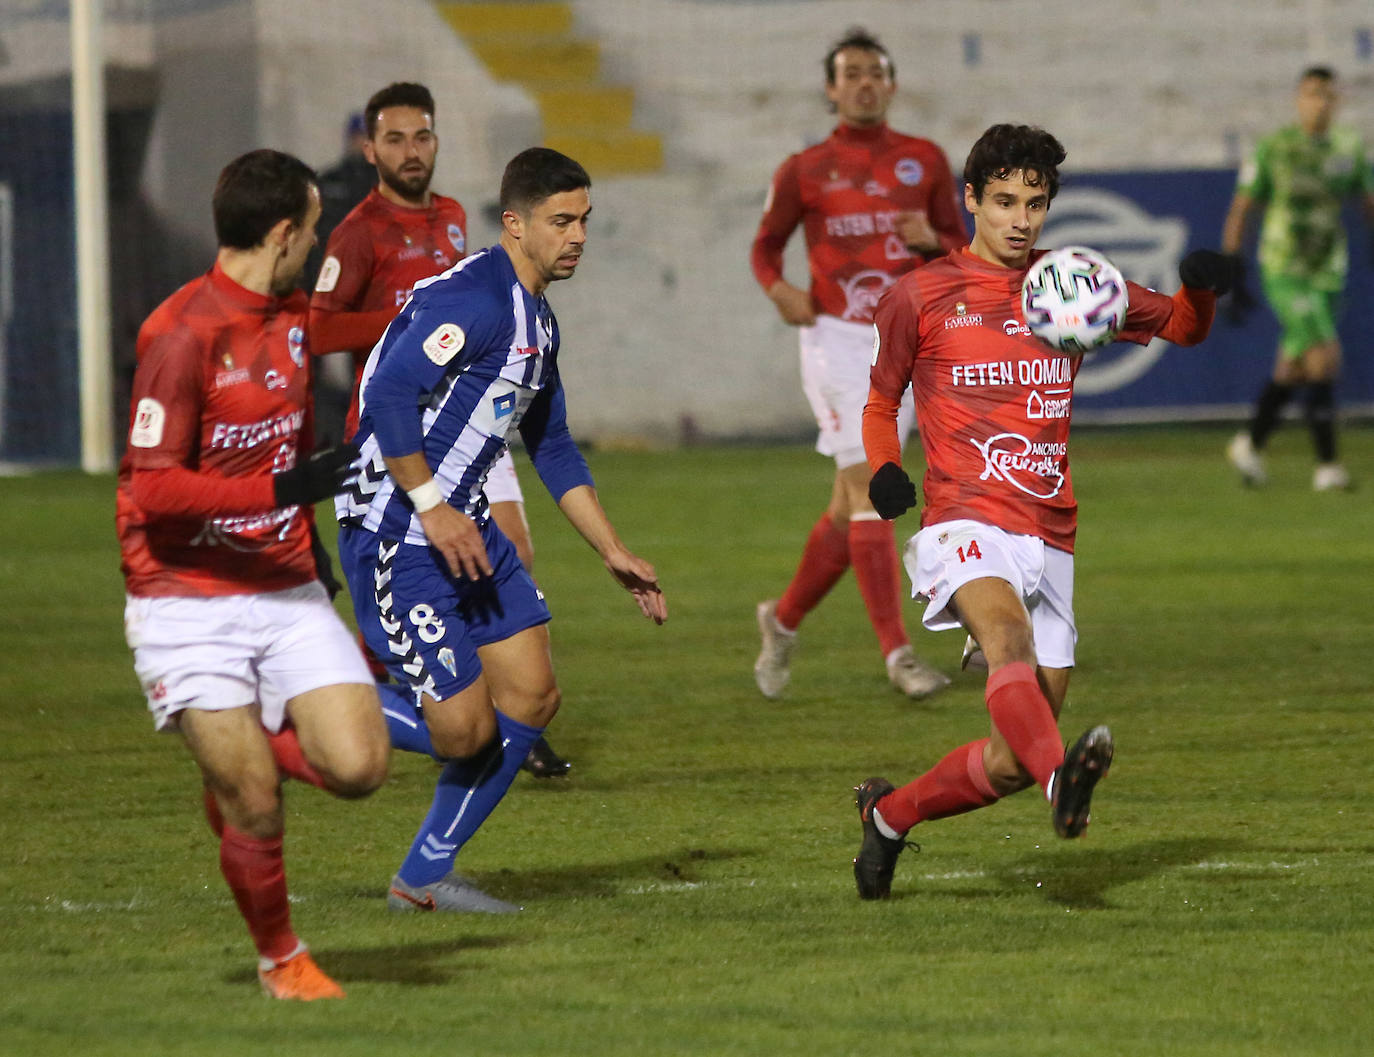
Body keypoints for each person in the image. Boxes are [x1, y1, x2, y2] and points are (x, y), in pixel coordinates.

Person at [851, 123, 1240, 900]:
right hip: (961, 517)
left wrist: (1198, 284)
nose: (1020, 219)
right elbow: (881, 396)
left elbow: (1185, 327)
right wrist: (887, 469)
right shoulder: (921, 295)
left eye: (1034, 203)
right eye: (1002, 202)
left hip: (1050, 530)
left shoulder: (1074, 287)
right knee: (1006, 640)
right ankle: (1065, 781)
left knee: (1008, 758)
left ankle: (889, 818)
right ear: (970, 200)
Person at [335, 146, 666, 913]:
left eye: (584, 219)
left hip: (464, 528)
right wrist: (430, 504)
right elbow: (386, 394)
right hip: (398, 528)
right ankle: (306, 699)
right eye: (561, 220)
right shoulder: (476, 301)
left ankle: (420, 879)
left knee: (533, 693)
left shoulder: (538, 322)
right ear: (514, 224)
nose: (577, 234)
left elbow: (551, 444)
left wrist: (612, 549)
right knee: (463, 731)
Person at [116, 149, 390, 996]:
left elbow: (352, 329)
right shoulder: (181, 333)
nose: (315, 245)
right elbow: (153, 488)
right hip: (182, 598)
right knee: (258, 804)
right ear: (281, 233)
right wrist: (283, 487)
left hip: (282, 586)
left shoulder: (294, 316)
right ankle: (282, 959)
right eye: (311, 229)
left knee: (359, 767)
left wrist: (451, 305)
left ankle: (238, 759)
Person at [309, 82, 569, 777]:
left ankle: (496, 702)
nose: (411, 151)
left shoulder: (453, 216)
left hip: (479, 416)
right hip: (405, 428)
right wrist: (412, 319)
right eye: (394, 139)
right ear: (369, 149)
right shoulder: (357, 231)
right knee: (425, 561)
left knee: (512, 548)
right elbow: (321, 327)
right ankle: (437, 698)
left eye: (421, 136)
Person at [749, 27, 965, 701]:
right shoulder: (804, 168)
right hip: (837, 341)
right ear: (832, 87)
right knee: (875, 487)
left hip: (910, 338)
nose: (864, 82)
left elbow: (962, 246)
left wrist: (935, 240)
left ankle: (781, 620)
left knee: (852, 507)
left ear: (892, 84)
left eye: (875, 71)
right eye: (852, 72)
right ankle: (899, 654)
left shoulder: (924, 160)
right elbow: (765, 246)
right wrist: (781, 290)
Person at [1221, 65, 1374, 491]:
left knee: (1293, 364)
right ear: (1298, 100)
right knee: (1325, 353)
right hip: (1284, 266)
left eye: (1326, 94)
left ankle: (1250, 444)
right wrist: (1233, 263)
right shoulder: (1276, 148)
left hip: (1328, 269)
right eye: (1311, 94)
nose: (1319, 102)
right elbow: (1242, 207)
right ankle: (1328, 466)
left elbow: (1368, 199)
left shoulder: (1349, 149)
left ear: (1337, 101)